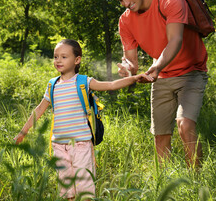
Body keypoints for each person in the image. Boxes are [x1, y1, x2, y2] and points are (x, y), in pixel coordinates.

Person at [14, 39, 151, 200]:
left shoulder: (83, 82)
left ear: (77, 60)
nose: (58, 60)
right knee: (66, 191)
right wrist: (23, 132)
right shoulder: (52, 85)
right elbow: (38, 110)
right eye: (56, 56)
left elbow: (112, 85)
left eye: (64, 57)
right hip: (58, 146)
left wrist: (134, 78)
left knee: (84, 189)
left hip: (81, 145)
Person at [106, 0, 208, 168]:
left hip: (191, 72)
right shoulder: (125, 21)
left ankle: (197, 182)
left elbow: (175, 40)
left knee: (185, 125)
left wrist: (157, 66)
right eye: (120, 1)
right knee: (160, 136)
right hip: (161, 77)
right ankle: (164, 185)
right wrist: (127, 68)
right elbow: (132, 62)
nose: (126, 4)